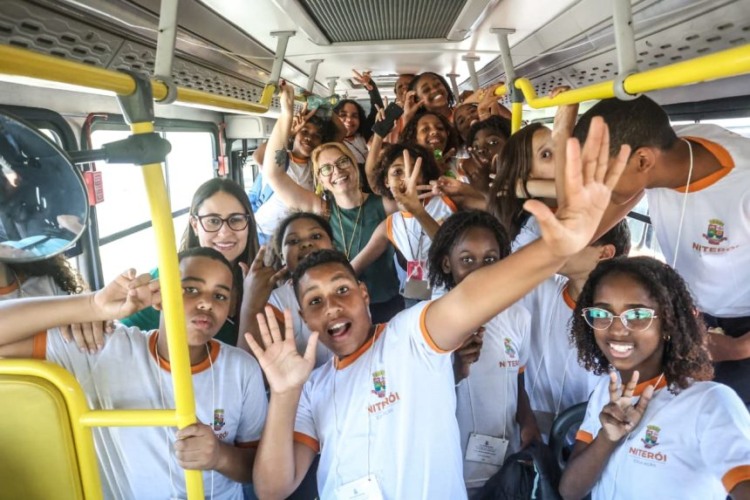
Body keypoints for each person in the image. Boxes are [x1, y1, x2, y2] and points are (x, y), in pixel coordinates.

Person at [246, 116, 630, 499]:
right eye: (315, 301)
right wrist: (283, 393)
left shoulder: (410, 335)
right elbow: (272, 488)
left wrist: (554, 249)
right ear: (305, 318)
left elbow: (472, 295)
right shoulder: (310, 389)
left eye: (342, 289)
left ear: (364, 294)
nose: (331, 306)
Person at [0, 247, 268, 499]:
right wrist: (92, 305)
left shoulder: (242, 369)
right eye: (190, 289)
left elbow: (258, 469)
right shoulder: (99, 348)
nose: (206, 303)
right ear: (160, 296)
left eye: (220, 296)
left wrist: (219, 457)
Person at [572, 95, 750, 406]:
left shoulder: (743, 186)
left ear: (642, 161)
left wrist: (737, 349)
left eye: (600, 173)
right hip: (695, 315)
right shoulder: (661, 149)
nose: (593, 185)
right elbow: (584, 232)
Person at [559, 256, 750, 499]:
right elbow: (570, 491)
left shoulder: (709, 403)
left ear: (668, 324)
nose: (616, 328)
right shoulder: (606, 390)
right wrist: (607, 439)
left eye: (637, 315)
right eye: (602, 312)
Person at [260, 81, 403, 323]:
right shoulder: (320, 209)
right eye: (326, 168)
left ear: (354, 165)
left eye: (342, 162)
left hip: (385, 307)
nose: (336, 171)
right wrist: (286, 114)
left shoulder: (385, 205)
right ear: (321, 180)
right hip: (338, 309)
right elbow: (274, 174)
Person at [427, 210, 538, 495]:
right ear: (447, 263)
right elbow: (421, 399)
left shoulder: (518, 317)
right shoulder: (430, 323)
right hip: (452, 467)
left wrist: (528, 424)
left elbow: (518, 382)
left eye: (490, 260)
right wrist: (456, 369)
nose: (480, 271)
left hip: (504, 462)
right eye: (467, 260)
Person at [521, 220, 631, 440]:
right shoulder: (538, 285)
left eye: (571, 238)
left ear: (604, 253)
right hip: (525, 430)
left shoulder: (620, 326)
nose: (557, 243)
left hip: (587, 442)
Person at [121, 178, 260, 346]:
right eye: (213, 221)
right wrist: (95, 318)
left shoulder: (265, 281)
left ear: (248, 223)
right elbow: (116, 335)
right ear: (195, 225)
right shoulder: (166, 278)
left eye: (235, 219)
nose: (224, 232)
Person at [352, 145, 452, 305]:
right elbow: (354, 266)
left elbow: (451, 249)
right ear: (386, 181)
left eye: (414, 171)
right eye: (398, 172)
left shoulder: (447, 203)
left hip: (453, 293)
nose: (407, 178)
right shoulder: (391, 224)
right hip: (418, 299)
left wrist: (418, 211)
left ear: (424, 175)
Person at [238, 212, 333, 368]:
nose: (306, 244)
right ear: (282, 257)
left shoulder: (352, 286)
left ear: (333, 246)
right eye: (293, 241)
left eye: (316, 236)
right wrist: (251, 304)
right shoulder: (276, 302)